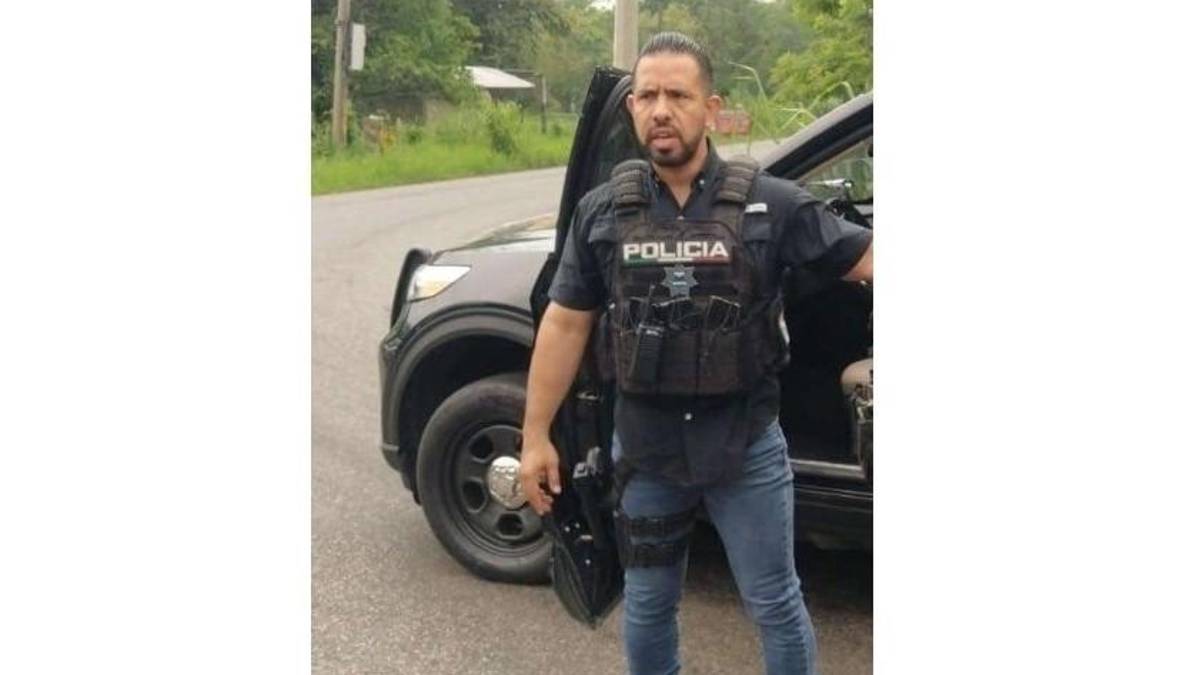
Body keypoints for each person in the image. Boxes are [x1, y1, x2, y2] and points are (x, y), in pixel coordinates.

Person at [519, 32, 873, 675]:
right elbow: (566, 323)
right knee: (649, 604)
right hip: (646, 451)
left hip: (745, 447)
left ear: (711, 108)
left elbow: (870, 258)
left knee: (774, 602)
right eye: (648, 95)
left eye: (678, 96)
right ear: (632, 107)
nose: (661, 109)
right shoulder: (603, 212)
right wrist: (535, 435)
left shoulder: (773, 204)